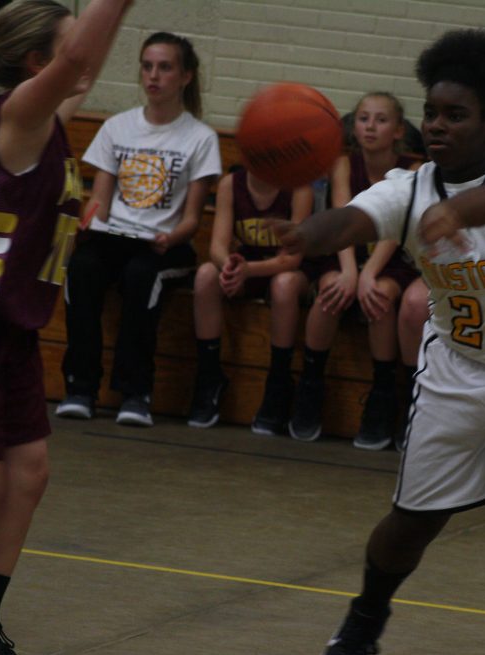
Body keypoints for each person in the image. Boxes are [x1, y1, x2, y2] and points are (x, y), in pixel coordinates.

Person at [274, 29, 485, 655]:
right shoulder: (407, 189)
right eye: (433, 112)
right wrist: (303, 233)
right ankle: (366, 616)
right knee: (413, 522)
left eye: (457, 114)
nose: (438, 125)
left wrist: (460, 212)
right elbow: (351, 221)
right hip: (460, 372)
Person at [0, 1, 132, 655]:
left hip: (12, 333)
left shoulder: (49, 124)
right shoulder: (19, 115)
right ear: (34, 63)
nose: (83, 64)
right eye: (68, 49)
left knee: (26, 476)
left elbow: (82, 63)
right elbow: (80, 61)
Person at [55, 31, 222, 427]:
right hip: (116, 237)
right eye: (147, 66)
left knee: (141, 276)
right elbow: (99, 199)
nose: (153, 76)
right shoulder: (117, 127)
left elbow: (193, 219)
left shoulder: (200, 138)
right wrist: (88, 224)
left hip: (165, 246)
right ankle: (80, 387)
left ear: (185, 77)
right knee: (82, 268)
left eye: (164, 67)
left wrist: (171, 237)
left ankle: (136, 393)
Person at [289, 92, 422, 447]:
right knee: (331, 290)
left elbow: (395, 227)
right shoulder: (344, 164)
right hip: (347, 250)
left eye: (381, 120)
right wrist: (349, 272)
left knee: (378, 295)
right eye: (363, 118)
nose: (370, 126)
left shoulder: (414, 169)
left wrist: (367, 275)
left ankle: (383, 395)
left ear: (397, 130)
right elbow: (344, 220)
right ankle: (310, 385)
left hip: (391, 256)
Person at [186, 166, 313, 428]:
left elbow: (292, 258)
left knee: (284, 285)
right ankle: (209, 376)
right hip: (247, 265)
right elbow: (217, 247)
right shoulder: (231, 184)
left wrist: (247, 271)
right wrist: (230, 267)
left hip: (286, 269)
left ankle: (279, 381)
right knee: (206, 275)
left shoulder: (299, 188)